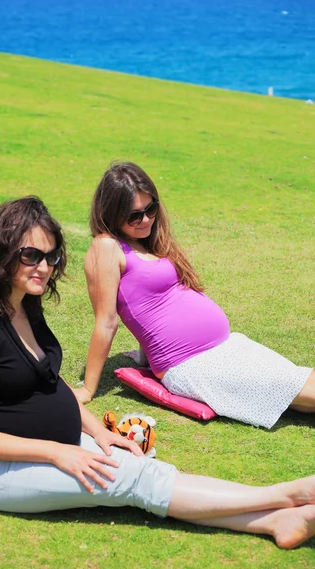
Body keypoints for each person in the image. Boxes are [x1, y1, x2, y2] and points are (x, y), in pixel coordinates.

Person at [0, 195, 315, 549]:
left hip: (47, 447)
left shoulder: (24, 307)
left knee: (139, 469)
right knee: (134, 480)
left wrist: (100, 433)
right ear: (1, 251)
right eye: (31, 255)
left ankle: (275, 523)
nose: (44, 267)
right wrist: (56, 453)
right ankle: (283, 495)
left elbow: (52, 383)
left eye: (51, 257)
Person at [75, 161, 314, 429]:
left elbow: (148, 303)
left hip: (226, 347)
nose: (146, 220)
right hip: (192, 365)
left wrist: (143, 356)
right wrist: (87, 389)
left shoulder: (146, 243)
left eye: (150, 209)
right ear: (111, 214)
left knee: (302, 382)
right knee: (296, 393)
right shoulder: (106, 247)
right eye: (134, 216)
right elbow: (106, 321)